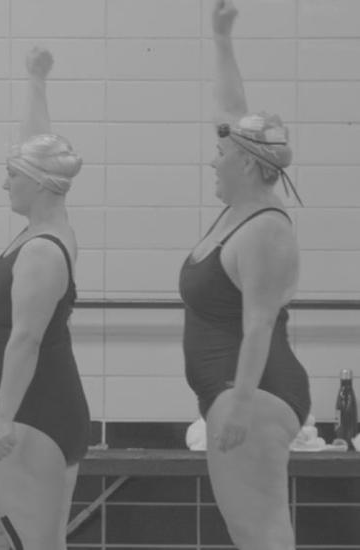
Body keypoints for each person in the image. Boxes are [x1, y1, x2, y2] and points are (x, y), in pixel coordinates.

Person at [180, 2, 309, 548]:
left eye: (221, 153)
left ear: (251, 165)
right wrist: (221, 38)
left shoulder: (265, 230)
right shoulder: (238, 214)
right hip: (234, 392)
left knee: (263, 535)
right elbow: (232, 108)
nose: (213, 161)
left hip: (253, 393)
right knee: (247, 532)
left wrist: (241, 402)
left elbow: (257, 324)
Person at [0, 46, 89, 550]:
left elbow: (25, 341)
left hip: (33, 412)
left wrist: (1, 420)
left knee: (31, 542)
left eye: (12, 176)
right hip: (39, 407)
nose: (4, 183)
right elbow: (37, 147)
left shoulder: (41, 251)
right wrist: (36, 81)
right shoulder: (47, 227)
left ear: (39, 184)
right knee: (41, 542)